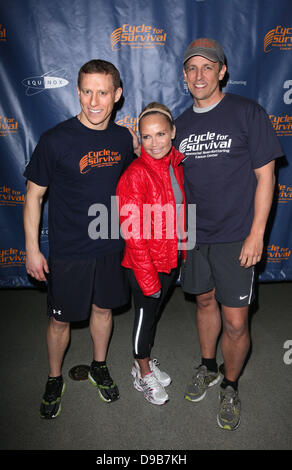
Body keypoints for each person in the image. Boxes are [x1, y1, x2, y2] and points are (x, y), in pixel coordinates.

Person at [174, 38, 283, 430]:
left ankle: (231, 385)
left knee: (236, 322)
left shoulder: (247, 112)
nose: (199, 75)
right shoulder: (180, 125)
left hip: (237, 235)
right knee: (203, 302)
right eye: (191, 68)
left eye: (207, 67)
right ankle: (208, 366)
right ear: (184, 75)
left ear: (222, 72)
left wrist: (257, 234)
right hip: (193, 235)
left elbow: (266, 176)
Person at [23, 59, 134, 418]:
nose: (94, 101)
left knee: (103, 309)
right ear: (78, 92)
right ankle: (55, 377)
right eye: (87, 91)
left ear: (117, 95)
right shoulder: (55, 140)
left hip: (111, 245)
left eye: (103, 92)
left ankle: (99, 365)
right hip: (69, 250)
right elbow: (33, 197)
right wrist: (31, 248)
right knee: (60, 320)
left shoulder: (123, 139)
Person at [116, 102, 186, 405]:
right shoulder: (135, 175)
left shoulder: (175, 165)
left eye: (160, 134)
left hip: (169, 258)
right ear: (139, 140)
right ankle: (141, 369)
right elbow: (133, 235)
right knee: (145, 317)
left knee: (153, 315)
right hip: (144, 263)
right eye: (146, 137)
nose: (154, 143)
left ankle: (143, 362)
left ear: (172, 133)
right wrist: (148, 277)